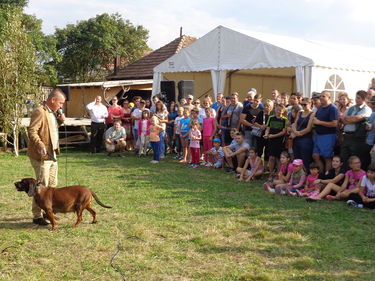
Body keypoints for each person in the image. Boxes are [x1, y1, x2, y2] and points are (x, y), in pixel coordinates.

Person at [27, 89, 66, 225]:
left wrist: (60, 121)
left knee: (52, 185)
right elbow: (32, 130)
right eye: (60, 103)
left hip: (52, 153)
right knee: (40, 187)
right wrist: (39, 144)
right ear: (53, 100)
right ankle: (37, 216)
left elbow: (51, 130)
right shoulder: (40, 111)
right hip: (41, 155)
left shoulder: (52, 113)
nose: (61, 106)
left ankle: (47, 211)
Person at [341, 90, 372, 170]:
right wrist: (350, 119)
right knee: (344, 158)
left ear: (364, 99)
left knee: (354, 159)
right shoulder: (351, 108)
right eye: (356, 97)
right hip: (346, 136)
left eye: (358, 98)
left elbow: (356, 119)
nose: (356, 99)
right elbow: (342, 119)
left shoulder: (367, 109)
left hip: (357, 137)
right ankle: (345, 178)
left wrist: (349, 119)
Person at [312, 91, 338, 173]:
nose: (321, 98)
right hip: (318, 135)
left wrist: (319, 122)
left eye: (323, 96)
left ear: (329, 97)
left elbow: (334, 123)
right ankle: (320, 175)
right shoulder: (320, 108)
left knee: (327, 157)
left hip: (328, 136)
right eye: (320, 96)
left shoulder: (332, 108)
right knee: (315, 155)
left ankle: (326, 177)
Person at [264, 104, 287, 179]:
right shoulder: (271, 117)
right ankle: (271, 173)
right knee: (271, 157)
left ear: (283, 111)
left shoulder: (284, 120)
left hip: (280, 141)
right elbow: (268, 128)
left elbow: (283, 132)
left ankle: (278, 173)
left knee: (278, 158)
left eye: (280, 110)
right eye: (277, 110)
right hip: (271, 140)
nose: (278, 111)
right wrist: (266, 134)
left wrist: (273, 136)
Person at [291, 98, 315, 171]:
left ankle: (306, 175)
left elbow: (308, 128)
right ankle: (297, 176)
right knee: (297, 158)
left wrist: (298, 133)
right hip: (297, 138)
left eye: (305, 104)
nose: (303, 106)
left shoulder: (312, 114)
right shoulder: (300, 112)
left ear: (310, 104)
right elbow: (295, 124)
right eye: (302, 104)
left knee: (305, 158)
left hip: (306, 139)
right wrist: (295, 132)